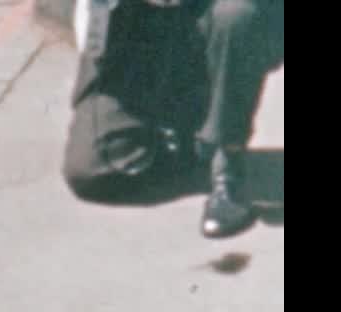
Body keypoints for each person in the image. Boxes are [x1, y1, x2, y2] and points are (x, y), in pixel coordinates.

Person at [62, 0, 284, 239]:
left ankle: (226, 166)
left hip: (215, 15)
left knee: (237, 15)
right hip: (137, 26)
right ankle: (179, 135)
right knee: (90, 169)